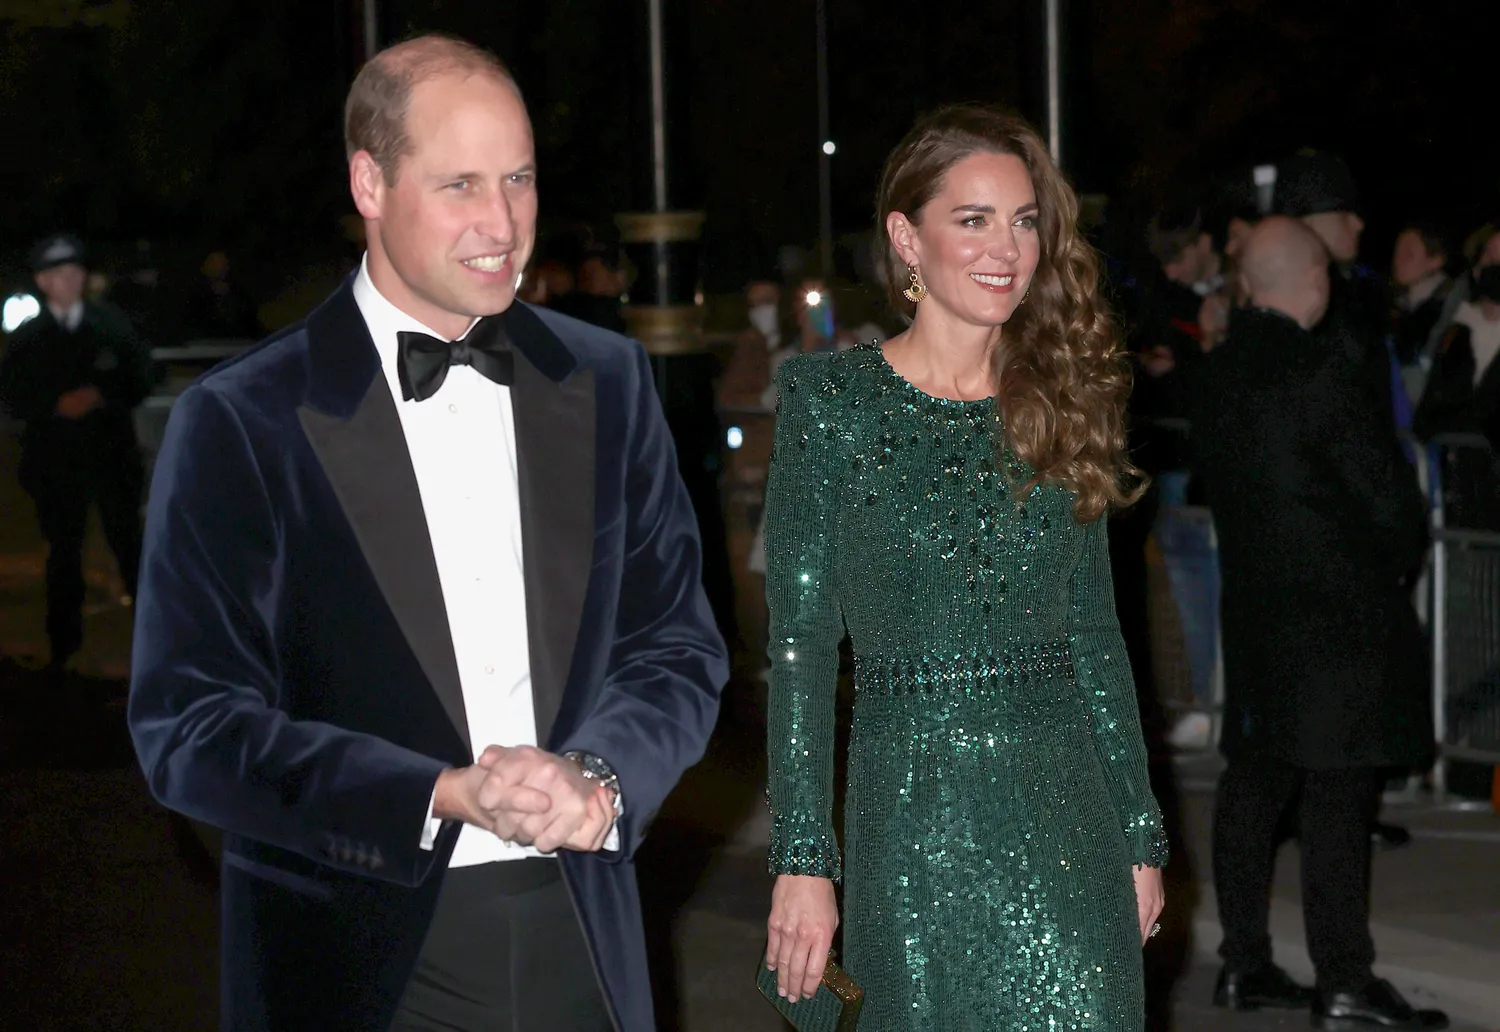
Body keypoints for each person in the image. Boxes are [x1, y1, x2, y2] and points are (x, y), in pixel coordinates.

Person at [127, 35, 727, 1032]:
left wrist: (599, 779)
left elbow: (675, 647)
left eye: (520, 179)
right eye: (460, 185)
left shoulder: (608, 382)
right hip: (357, 957)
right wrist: (437, 794)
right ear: (370, 181)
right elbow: (188, 730)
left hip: (584, 928)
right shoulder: (244, 418)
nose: (503, 224)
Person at [762, 104, 1167, 1029]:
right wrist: (802, 859)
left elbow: (1096, 634)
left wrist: (1139, 832)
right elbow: (800, 649)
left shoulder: (1063, 402)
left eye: (1024, 220)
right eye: (973, 219)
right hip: (911, 829)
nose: (1007, 248)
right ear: (908, 237)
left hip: (1071, 826)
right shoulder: (833, 406)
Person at [1190, 217, 1446, 1030]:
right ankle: (1344, 978)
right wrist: (1396, 551)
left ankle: (1245, 963)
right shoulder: (1322, 371)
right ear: (1318, 279)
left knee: (1257, 780)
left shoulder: (1222, 372)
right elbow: (1386, 498)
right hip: (1338, 615)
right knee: (1339, 793)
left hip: (1258, 611)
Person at [0, 233, 154, 679]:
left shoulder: (112, 325)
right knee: (62, 558)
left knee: (131, 551)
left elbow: (141, 375)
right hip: (56, 466)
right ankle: (63, 651)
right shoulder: (29, 338)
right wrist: (53, 404)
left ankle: (156, 649)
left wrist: (101, 395)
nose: (68, 281)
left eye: (74, 272)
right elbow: (13, 394)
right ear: (43, 282)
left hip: (112, 460)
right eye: (57, 274)